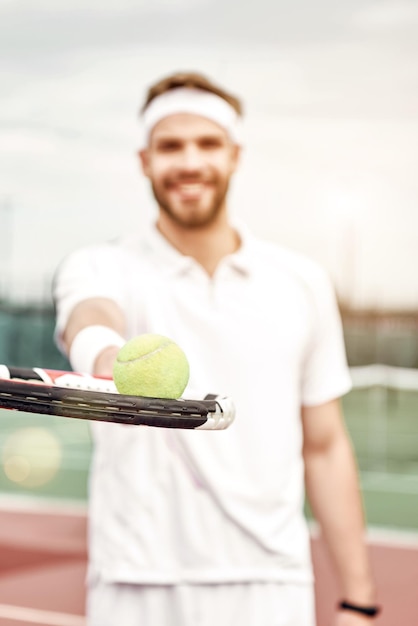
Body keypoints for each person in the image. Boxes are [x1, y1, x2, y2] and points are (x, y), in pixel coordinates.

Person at [53, 71, 380, 626]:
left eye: (207, 144)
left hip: (271, 582)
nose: (189, 162)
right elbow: (90, 315)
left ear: (234, 156)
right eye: (170, 146)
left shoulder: (301, 281)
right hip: (135, 580)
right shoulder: (99, 265)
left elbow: (324, 447)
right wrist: (106, 357)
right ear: (144, 161)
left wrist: (359, 598)